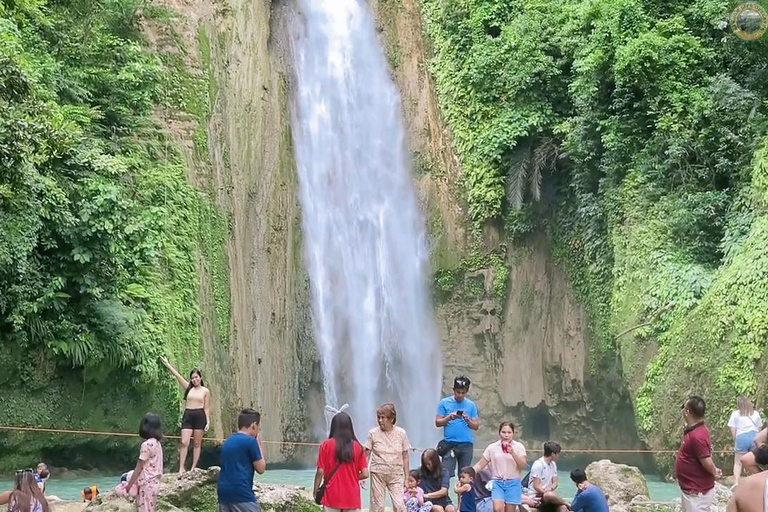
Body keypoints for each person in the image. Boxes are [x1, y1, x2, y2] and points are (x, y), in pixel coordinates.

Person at [160, 356, 211, 474]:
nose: (194, 380)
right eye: (192, 378)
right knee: (184, 442)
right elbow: (178, 376)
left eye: (196, 377)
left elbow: (207, 407)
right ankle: (181, 467)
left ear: (200, 377)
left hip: (200, 415)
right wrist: (168, 365)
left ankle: (193, 467)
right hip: (188, 415)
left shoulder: (205, 391)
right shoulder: (188, 387)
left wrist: (208, 421)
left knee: (197, 443)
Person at [313, 412, 369, 511]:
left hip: (332, 495)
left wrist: (315, 490)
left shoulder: (325, 445)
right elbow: (365, 474)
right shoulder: (358, 447)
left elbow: (320, 471)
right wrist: (350, 477)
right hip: (352, 497)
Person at [676, 395, 722, 512]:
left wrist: (714, 471)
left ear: (687, 412)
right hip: (691, 490)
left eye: (683, 408)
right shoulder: (696, 430)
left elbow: (706, 459)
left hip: (697, 492)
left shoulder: (697, 436)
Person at [365, 403, 412, 512]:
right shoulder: (372, 433)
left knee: (399, 505)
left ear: (391, 419)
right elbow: (366, 455)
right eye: (378, 417)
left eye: (383, 418)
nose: (380, 420)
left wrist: (406, 478)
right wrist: (363, 474)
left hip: (396, 474)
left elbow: (405, 456)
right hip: (377, 473)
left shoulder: (401, 433)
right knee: (377, 507)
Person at [217, 409, 266, 512]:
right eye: (258, 427)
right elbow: (261, 469)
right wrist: (259, 444)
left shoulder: (228, 441)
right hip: (241, 494)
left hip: (223, 493)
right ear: (254, 425)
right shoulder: (251, 441)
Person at [473, 422, 527, 512]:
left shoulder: (519, 447)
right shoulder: (492, 447)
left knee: (510, 510)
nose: (506, 435)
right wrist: (469, 472)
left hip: (513, 482)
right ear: (499, 433)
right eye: (503, 432)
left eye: (509, 432)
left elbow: (522, 465)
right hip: (498, 482)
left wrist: (512, 453)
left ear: (513, 433)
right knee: (497, 509)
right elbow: (480, 465)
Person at [435, 376, 480, 478]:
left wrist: (467, 419)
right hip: (449, 444)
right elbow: (437, 422)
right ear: (453, 390)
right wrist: (449, 417)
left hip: (466, 445)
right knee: (445, 474)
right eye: (457, 392)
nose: (460, 395)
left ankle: (462, 494)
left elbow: (476, 426)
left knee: (465, 476)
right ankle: (444, 492)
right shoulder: (444, 403)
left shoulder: (471, 405)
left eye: (463, 393)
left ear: (467, 391)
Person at [125, 413, 164, 512]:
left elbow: (139, 467)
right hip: (155, 483)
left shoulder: (146, 445)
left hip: (146, 484)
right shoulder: (157, 443)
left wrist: (129, 486)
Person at [729, 397, 764, 486]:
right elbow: (759, 428)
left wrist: (736, 440)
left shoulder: (735, 414)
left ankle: (736, 482)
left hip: (741, 437)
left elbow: (733, 429)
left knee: (738, 462)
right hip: (754, 436)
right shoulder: (755, 413)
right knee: (753, 460)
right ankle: (754, 481)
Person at [526, 441, 567, 512]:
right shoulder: (538, 464)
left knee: (562, 508)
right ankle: (567, 503)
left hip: (547, 494)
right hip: (536, 494)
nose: (558, 456)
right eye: (557, 454)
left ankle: (564, 504)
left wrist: (550, 489)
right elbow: (536, 486)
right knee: (548, 495)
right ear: (553, 454)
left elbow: (555, 482)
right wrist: (545, 492)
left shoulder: (553, 464)